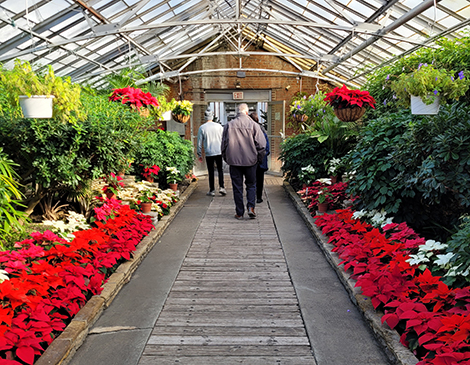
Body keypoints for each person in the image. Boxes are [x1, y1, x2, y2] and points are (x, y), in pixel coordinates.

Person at [221, 103, 266, 219]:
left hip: (234, 162)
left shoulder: (229, 125)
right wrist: (258, 159)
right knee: (251, 185)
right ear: (247, 112)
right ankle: (251, 207)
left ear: (238, 112)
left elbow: (224, 145)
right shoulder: (254, 125)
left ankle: (239, 212)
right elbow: (261, 145)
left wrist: (226, 158)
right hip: (251, 161)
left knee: (237, 187)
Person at [197, 107, 227, 196]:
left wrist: (199, 153)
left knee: (211, 171)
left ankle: (212, 190)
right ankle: (222, 187)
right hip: (219, 151)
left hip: (209, 152)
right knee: (220, 170)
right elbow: (224, 139)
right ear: (212, 117)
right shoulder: (219, 126)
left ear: (205, 117)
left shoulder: (202, 128)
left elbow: (199, 142)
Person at [249, 112, 270, 204]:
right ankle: (259, 197)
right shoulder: (262, 130)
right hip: (261, 159)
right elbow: (267, 147)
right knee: (260, 178)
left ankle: (251, 196)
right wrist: (265, 155)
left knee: (251, 179)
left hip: (251, 159)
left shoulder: (249, 130)